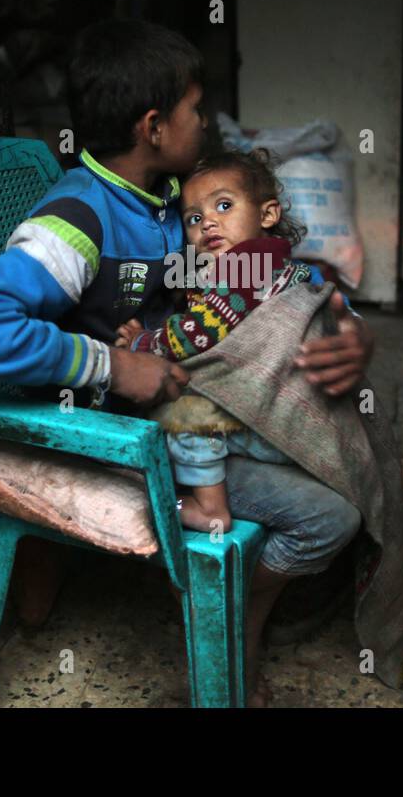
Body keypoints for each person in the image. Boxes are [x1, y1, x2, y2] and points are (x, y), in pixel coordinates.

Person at [0, 19, 374, 705]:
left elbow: (257, 275)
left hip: (192, 389)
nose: (208, 122)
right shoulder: (78, 222)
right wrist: (111, 364)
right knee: (332, 515)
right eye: (197, 110)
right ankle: (236, 611)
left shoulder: (172, 202)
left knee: (350, 423)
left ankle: (251, 593)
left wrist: (347, 330)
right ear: (154, 127)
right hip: (130, 426)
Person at [113, 147, 325, 536]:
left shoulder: (249, 265)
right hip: (289, 428)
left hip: (272, 423)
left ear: (268, 214)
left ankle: (209, 506)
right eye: (195, 218)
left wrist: (143, 345)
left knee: (184, 412)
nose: (208, 223)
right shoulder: (266, 262)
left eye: (224, 206)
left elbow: (202, 332)